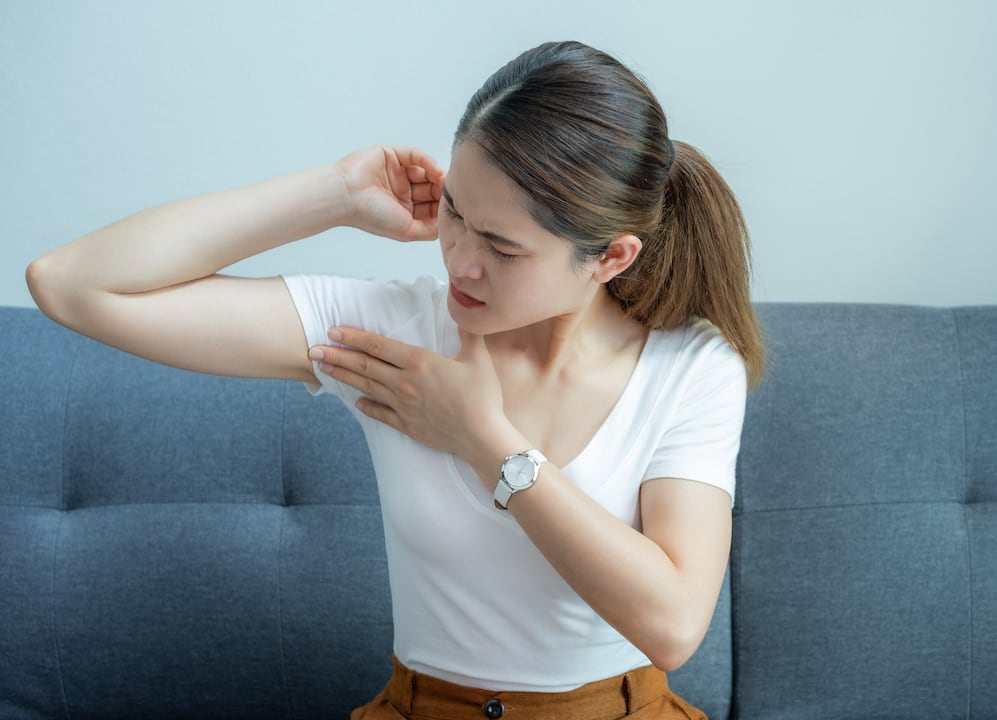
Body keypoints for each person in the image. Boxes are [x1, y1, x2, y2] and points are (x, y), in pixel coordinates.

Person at [26, 40, 764, 719]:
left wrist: (483, 438)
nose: (459, 260)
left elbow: (673, 626)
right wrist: (335, 195)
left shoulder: (691, 368)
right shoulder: (392, 334)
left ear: (611, 257)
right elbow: (71, 285)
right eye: (454, 212)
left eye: (503, 249)